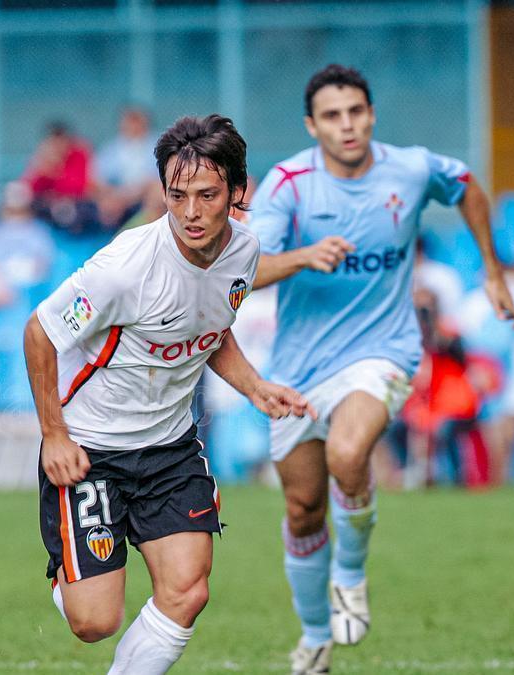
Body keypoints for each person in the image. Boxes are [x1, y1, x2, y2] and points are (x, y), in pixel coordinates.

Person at [248, 64, 514, 674]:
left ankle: (351, 574)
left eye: (355, 112)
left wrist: (492, 268)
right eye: (332, 116)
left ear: (371, 114)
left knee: (350, 454)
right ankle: (316, 636)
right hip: (299, 367)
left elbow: (470, 187)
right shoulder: (289, 184)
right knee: (302, 508)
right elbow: (246, 270)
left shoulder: (412, 167)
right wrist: (302, 257)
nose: (346, 125)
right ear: (311, 125)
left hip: (384, 351)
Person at [24, 114, 313, 675]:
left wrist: (257, 389)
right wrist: (54, 435)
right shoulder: (123, 269)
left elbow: (209, 326)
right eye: (177, 195)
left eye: (207, 195)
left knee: (187, 590)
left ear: (237, 192)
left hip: (170, 448)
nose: (190, 211)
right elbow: (40, 332)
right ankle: (71, 569)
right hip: (91, 449)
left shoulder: (245, 253)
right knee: (94, 622)